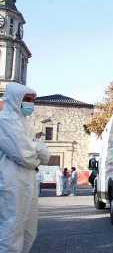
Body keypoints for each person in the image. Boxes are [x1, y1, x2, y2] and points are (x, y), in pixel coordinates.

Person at [0, 82, 50, 253]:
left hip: (27, 182)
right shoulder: (4, 120)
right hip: (10, 182)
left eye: (32, 100)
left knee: (28, 230)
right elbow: (24, 154)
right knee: (11, 228)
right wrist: (35, 149)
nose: (31, 104)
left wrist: (33, 147)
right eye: (27, 99)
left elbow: (44, 154)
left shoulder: (24, 124)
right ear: (15, 99)